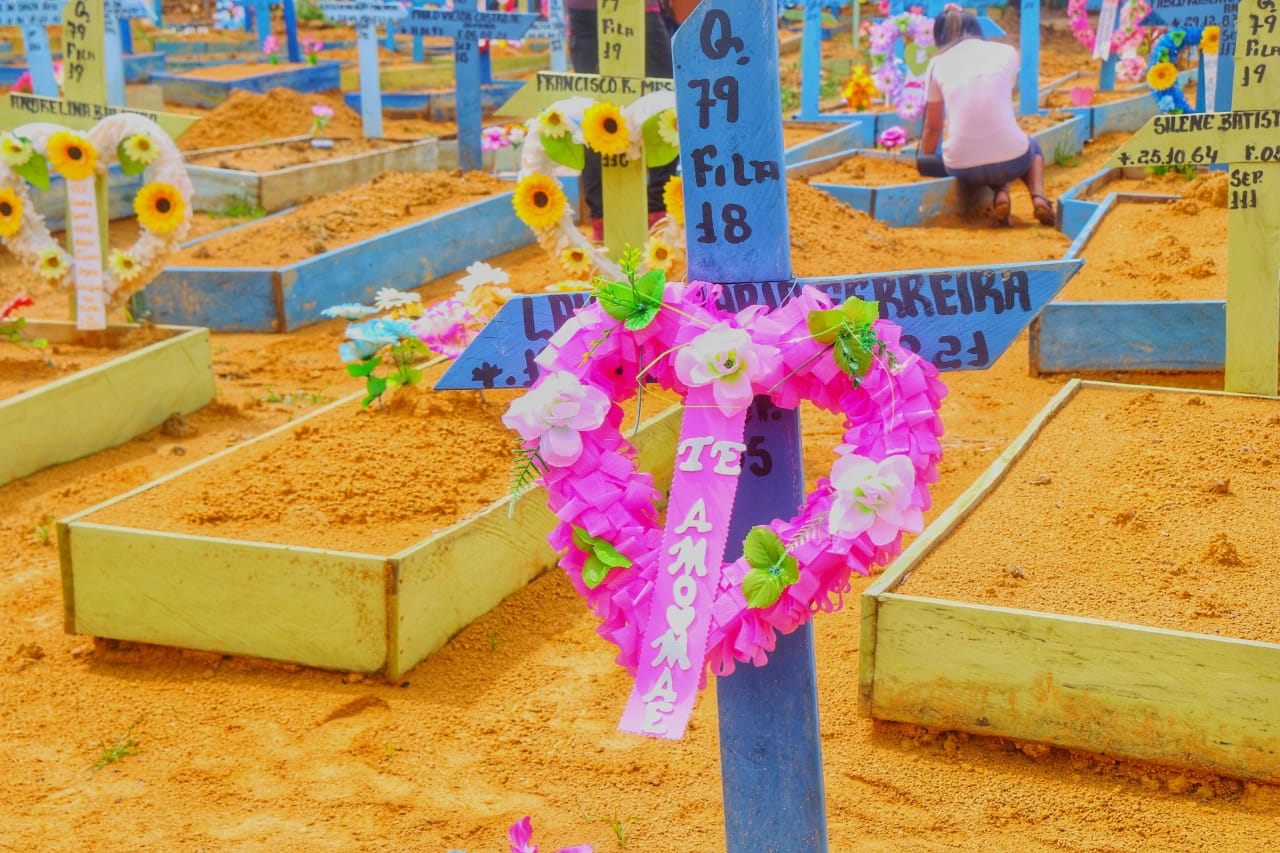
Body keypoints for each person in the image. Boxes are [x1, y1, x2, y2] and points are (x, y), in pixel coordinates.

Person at [915, 8, 1055, 227]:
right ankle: (1038, 197)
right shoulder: (1007, 52)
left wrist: (926, 161)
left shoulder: (936, 65)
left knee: (987, 150)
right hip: (1012, 158)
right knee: (1030, 147)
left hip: (962, 166)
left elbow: (932, 128)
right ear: (976, 29)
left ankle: (1001, 195)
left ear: (939, 37)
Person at [566, 0, 678, 241]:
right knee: (595, 112)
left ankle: (657, 212)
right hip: (588, 12)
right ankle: (604, 220)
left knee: (665, 105)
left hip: (640, 10)